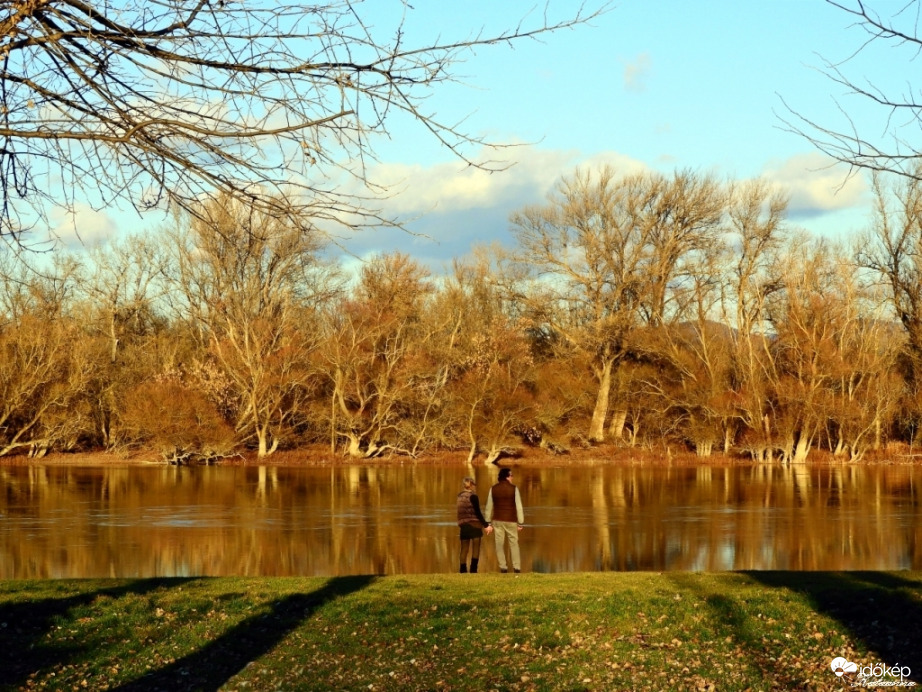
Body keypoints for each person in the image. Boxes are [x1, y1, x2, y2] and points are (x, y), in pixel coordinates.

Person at [484, 467, 525, 573]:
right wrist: (521, 522)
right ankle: (517, 567)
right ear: (506, 477)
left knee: (499, 544)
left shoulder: (493, 489)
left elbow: (488, 506)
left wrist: (488, 522)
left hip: (497, 520)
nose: (512, 478)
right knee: (514, 544)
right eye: (511, 476)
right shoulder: (514, 489)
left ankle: (503, 567)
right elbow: (519, 507)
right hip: (511, 520)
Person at [456, 476, 492, 573]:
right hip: (474, 524)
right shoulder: (473, 496)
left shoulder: (459, 496)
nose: (475, 487)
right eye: (474, 485)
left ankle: (462, 570)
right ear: (471, 485)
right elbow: (478, 512)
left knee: (464, 549)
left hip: (463, 525)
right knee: (476, 548)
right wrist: (486, 525)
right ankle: (473, 570)